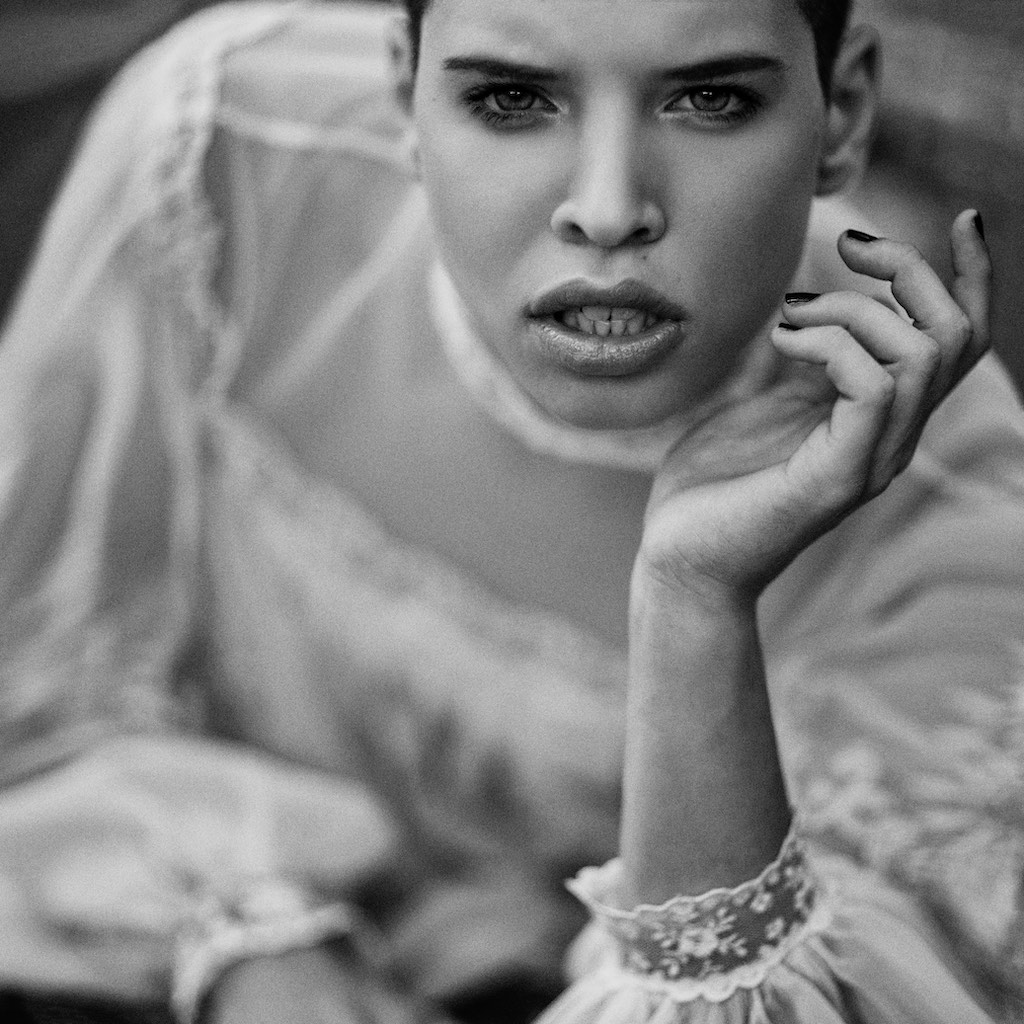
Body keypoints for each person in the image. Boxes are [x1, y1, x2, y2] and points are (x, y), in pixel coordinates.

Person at [0, 0, 1022, 1022]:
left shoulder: (946, 498)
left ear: (841, 112)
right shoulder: (223, 159)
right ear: (403, 91)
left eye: (712, 99)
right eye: (509, 98)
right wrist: (247, 937)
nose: (609, 209)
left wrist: (695, 600)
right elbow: (33, 706)